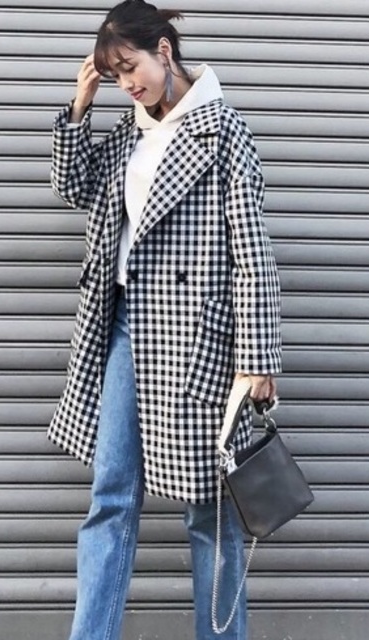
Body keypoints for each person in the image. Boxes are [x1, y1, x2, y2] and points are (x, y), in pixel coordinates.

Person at [47, 1, 282, 638]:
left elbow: (252, 249)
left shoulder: (223, 130)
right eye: (115, 75)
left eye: (131, 68)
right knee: (110, 496)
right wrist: (79, 108)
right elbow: (73, 187)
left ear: (165, 51)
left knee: (209, 509)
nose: (127, 83)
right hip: (125, 330)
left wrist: (257, 358)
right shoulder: (128, 131)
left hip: (198, 341)